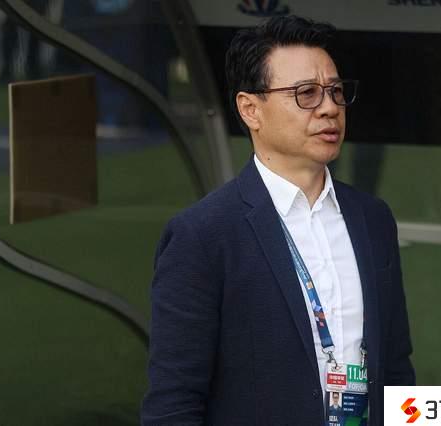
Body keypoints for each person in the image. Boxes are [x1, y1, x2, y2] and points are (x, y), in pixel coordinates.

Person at [141, 15, 415, 426]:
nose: (329, 108)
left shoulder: (372, 219)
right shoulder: (203, 235)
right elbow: (174, 403)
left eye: (336, 91)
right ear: (250, 109)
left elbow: (395, 367)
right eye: (306, 93)